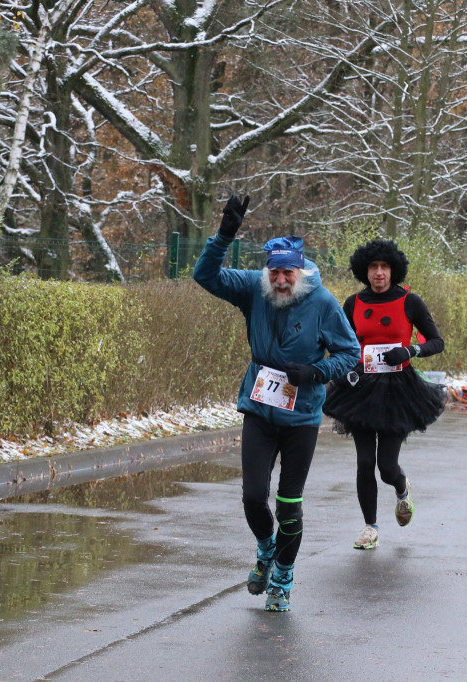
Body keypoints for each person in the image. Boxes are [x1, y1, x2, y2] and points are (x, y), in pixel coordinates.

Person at [193, 194, 360, 612]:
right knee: (252, 496)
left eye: (287, 272)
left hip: (301, 414)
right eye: (274, 273)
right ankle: (266, 550)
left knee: (288, 502)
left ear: (300, 271)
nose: (280, 281)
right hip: (259, 407)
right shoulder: (255, 288)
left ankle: (282, 579)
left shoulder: (322, 302)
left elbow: (350, 352)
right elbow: (205, 276)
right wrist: (224, 236)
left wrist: (318, 372)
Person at [323, 238, 447, 551]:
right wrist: (345, 368)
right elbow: (339, 342)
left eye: (385, 267)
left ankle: (402, 489)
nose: (379, 273)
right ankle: (370, 528)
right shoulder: (353, 303)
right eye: (374, 267)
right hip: (361, 389)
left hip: (399, 390)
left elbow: (436, 341)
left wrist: (409, 349)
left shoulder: (410, 302)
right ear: (365, 271)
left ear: (394, 270)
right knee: (364, 463)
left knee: (386, 467)